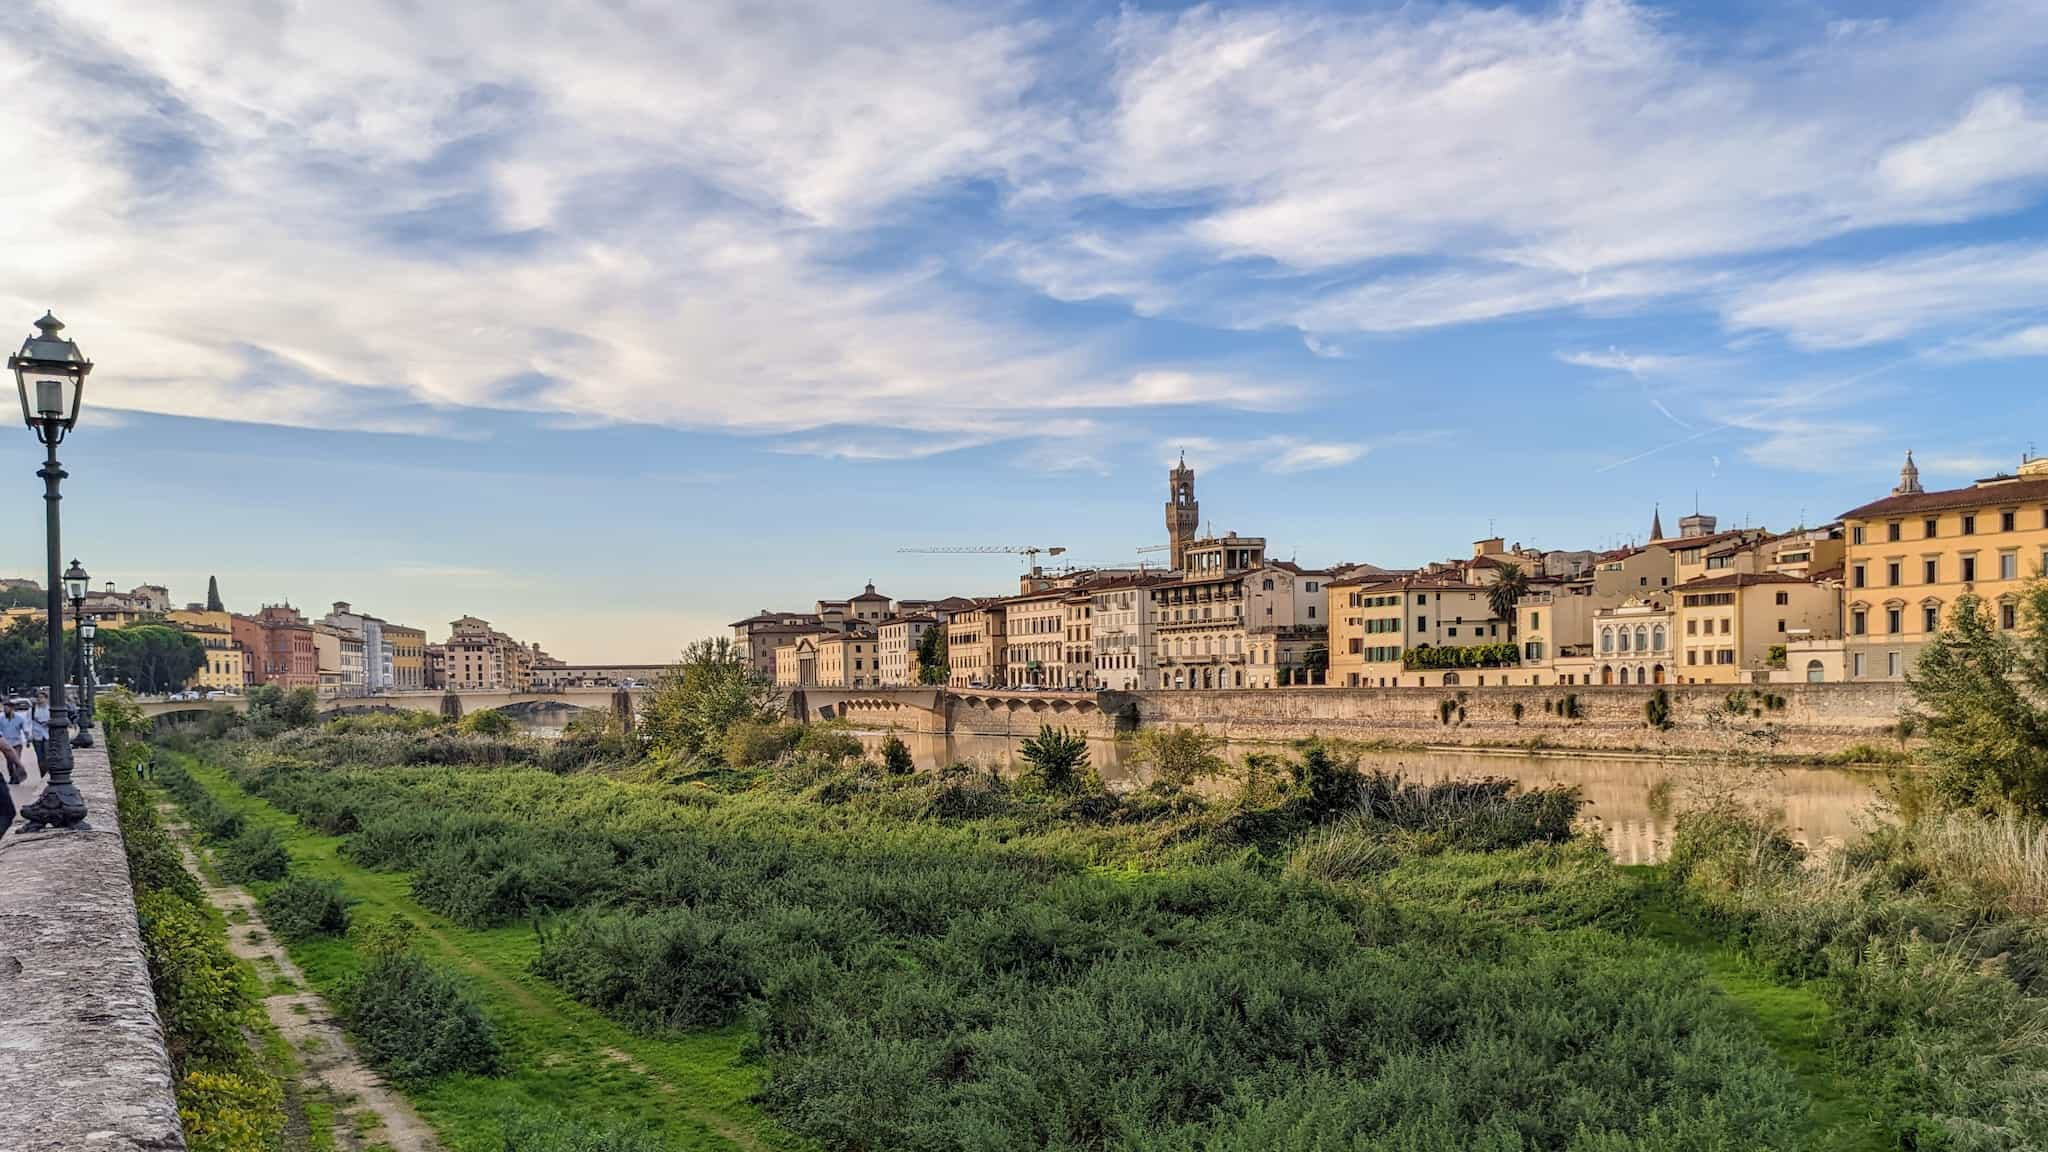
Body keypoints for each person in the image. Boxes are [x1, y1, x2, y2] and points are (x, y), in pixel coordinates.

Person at [0, 699, 27, 787]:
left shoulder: (19, 718)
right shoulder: (1, 718)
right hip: (6, 742)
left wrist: (28, 739)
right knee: (9, 762)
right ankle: (12, 776)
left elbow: (25, 729)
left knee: (16, 760)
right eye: (4, 708)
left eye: (7, 708)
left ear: (11, 708)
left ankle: (17, 777)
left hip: (16, 743)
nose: (5, 709)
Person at [28, 689, 49, 780]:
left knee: (47, 756)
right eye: (38, 698)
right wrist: (28, 737)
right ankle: (43, 774)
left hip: (48, 735)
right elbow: (28, 723)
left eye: (42, 698)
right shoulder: (32, 710)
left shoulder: (50, 709)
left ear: (46, 699)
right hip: (37, 735)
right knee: (40, 758)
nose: (40, 700)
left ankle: (48, 774)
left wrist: (48, 722)